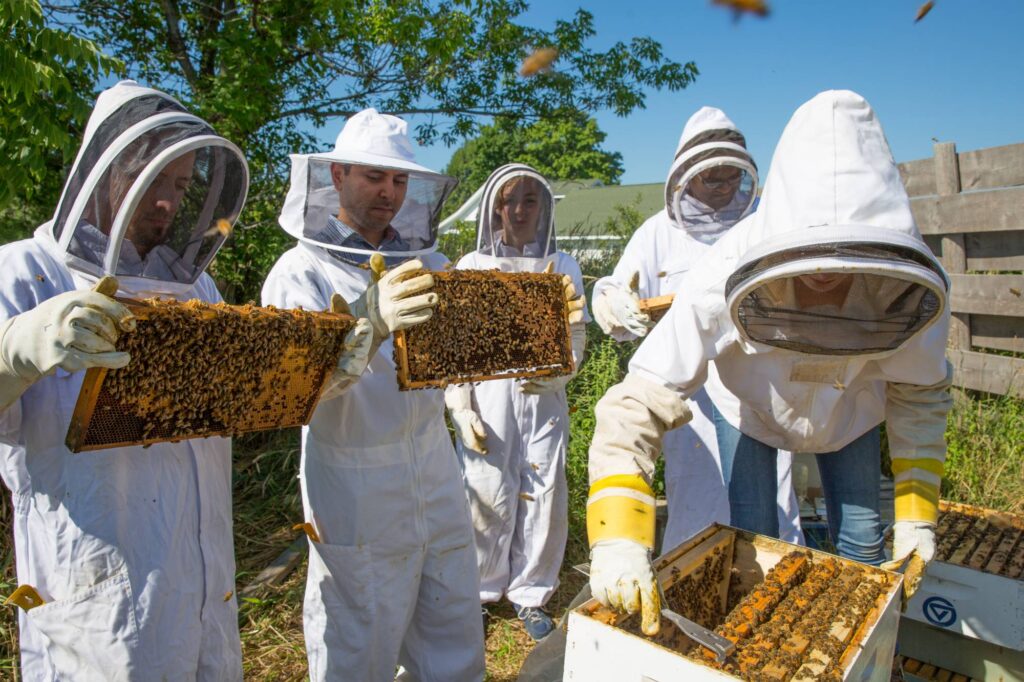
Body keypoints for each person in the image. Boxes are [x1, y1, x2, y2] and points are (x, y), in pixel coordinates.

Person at [584, 90, 953, 635]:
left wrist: (918, 513)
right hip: (750, 408)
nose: (826, 278)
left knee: (863, 541)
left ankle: (867, 654)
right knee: (753, 540)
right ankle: (761, 642)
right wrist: (617, 535)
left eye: (845, 260)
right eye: (814, 257)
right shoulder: (726, 265)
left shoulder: (908, 278)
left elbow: (920, 394)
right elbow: (638, 399)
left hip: (850, 412)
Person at [0, 80, 245, 680]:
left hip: (205, 574)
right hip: (95, 588)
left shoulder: (196, 287)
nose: (165, 202)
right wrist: (18, 351)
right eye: (152, 180)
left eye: (180, 185)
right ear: (102, 170)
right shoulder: (20, 273)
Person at [261, 109, 486, 681]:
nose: (389, 193)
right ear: (336, 176)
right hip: (354, 484)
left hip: (436, 469)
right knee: (357, 640)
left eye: (400, 181)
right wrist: (368, 325)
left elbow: (461, 356)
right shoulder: (299, 273)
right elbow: (290, 392)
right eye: (373, 177)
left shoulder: (428, 263)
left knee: (452, 627)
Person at [591, 107, 802, 550]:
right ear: (687, 176)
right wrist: (612, 303)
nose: (724, 188)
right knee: (694, 506)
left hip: (759, 393)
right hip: (689, 403)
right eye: (713, 179)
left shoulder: (768, 222)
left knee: (771, 514)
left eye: (731, 177)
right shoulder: (656, 234)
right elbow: (615, 285)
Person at [444, 164, 588, 641]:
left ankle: (530, 593)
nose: (521, 210)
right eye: (512, 201)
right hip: (489, 399)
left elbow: (576, 335)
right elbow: (454, 349)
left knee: (545, 489)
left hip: (544, 401)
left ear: (544, 209)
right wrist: (460, 409)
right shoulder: (471, 267)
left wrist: (559, 373)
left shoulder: (563, 266)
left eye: (531, 201)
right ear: (495, 209)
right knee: (485, 489)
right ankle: (480, 592)